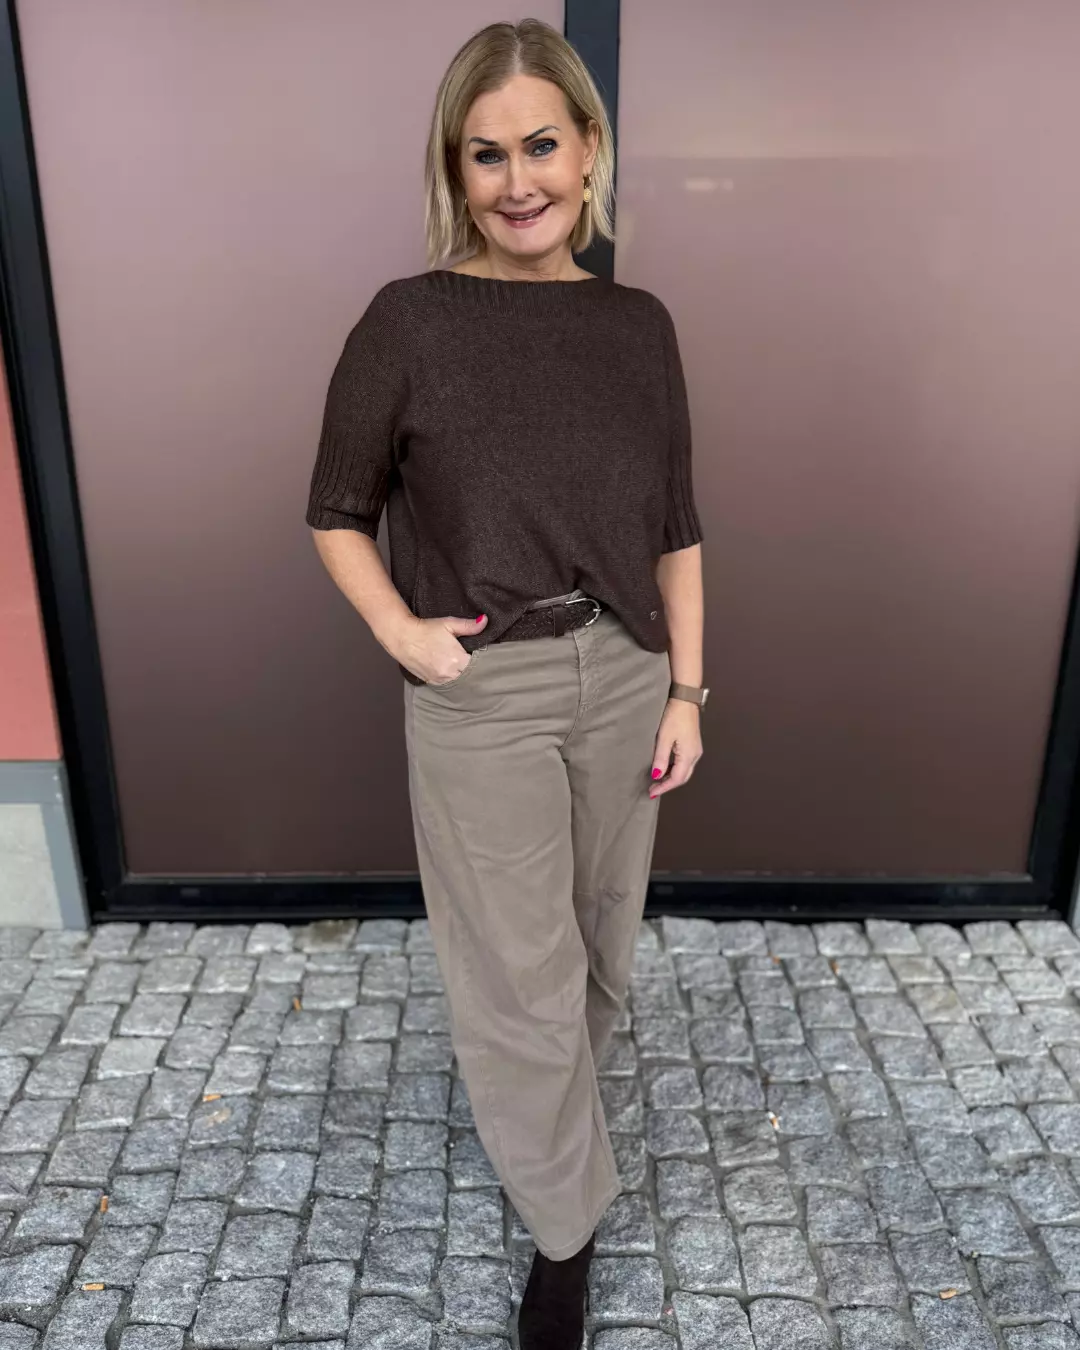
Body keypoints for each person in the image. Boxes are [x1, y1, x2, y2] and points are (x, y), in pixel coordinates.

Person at [306, 17, 705, 1348]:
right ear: (456, 169)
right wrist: (403, 635)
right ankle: (565, 1232)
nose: (519, 180)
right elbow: (335, 507)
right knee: (517, 975)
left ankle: (554, 1129)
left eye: (541, 145)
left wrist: (688, 692)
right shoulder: (409, 321)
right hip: (486, 693)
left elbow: (677, 530)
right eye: (487, 155)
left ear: (589, 148)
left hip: (628, 675)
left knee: (596, 945)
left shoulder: (639, 327)